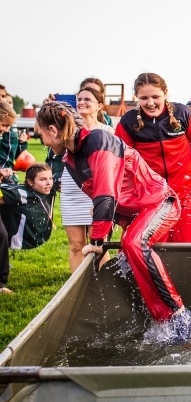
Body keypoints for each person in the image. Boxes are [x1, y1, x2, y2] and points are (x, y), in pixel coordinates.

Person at [36, 101, 191, 339]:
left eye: (41, 132)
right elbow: (99, 201)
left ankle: (179, 316)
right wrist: (103, 235)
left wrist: (99, 240)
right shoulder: (70, 157)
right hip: (134, 214)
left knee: (134, 243)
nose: (41, 138)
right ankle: (160, 322)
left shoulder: (98, 140)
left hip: (160, 202)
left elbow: (105, 193)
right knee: (127, 260)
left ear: (52, 130)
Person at [115, 72, 191, 243]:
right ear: (136, 97)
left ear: (165, 94)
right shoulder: (128, 121)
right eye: (144, 98)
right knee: (153, 248)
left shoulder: (181, 112)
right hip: (150, 196)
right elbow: (119, 160)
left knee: (187, 246)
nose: (151, 103)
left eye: (156, 96)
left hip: (186, 191)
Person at [57, 80, 115, 272]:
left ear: (99, 105)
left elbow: (112, 168)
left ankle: (104, 286)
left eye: (87, 99)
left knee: (99, 245)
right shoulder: (68, 129)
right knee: (75, 245)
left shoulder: (108, 132)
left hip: (98, 191)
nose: (81, 102)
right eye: (79, 99)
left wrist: (100, 199)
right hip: (72, 190)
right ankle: (77, 291)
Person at [0, 164, 56, 294]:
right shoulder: (20, 194)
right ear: (30, 182)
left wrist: (8, 177)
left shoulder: (44, 191)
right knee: (1, 236)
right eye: (43, 179)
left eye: (50, 178)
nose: (48, 183)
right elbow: (11, 191)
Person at [0, 86, 29, 185]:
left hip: (7, 173)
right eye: (4, 125)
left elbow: (13, 152)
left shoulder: (11, 127)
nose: (6, 129)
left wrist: (22, 143)